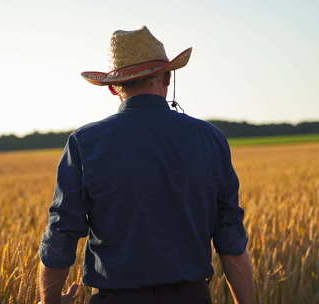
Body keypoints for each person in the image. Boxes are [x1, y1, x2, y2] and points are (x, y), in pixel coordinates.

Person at [38, 26, 256, 304]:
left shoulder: (84, 143)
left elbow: (61, 233)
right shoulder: (210, 139)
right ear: (167, 77)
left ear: (114, 89)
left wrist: (50, 300)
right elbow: (231, 242)